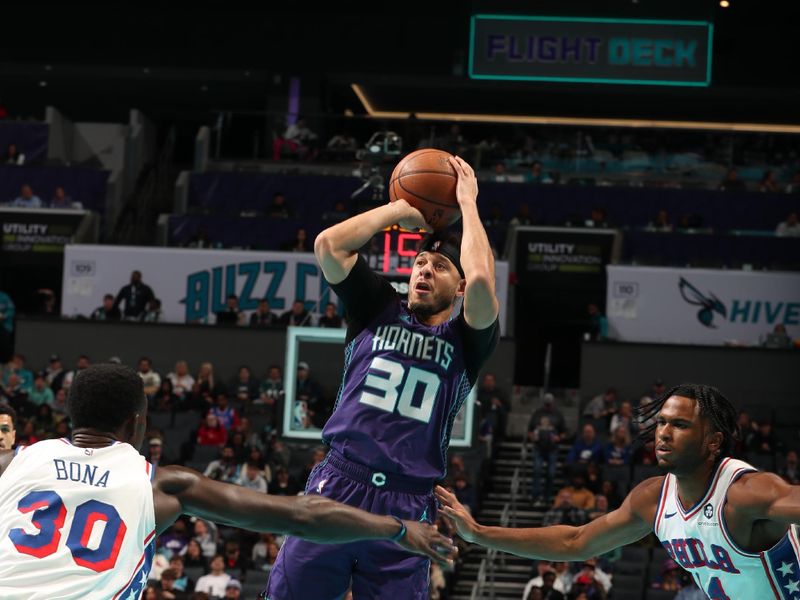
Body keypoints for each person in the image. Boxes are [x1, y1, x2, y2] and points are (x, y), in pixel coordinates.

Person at [0, 364, 456, 598]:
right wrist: (398, 528)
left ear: (69, 413)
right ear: (138, 423)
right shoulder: (161, 485)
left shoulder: (14, 462)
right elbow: (302, 515)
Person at [267, 155, 498, 599]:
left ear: (460, 286)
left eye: (441, 267)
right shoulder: (377, 306)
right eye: (420, 264)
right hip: (337, 484)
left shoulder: (468, 340)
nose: (425, 272)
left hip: (407, 502)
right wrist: (399, 210)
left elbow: (485, 284)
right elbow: (328, 246)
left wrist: (467, 204)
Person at [437, 382, 800, 600]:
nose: (664, 433)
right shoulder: (653, 498)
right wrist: (480, 533)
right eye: (661, 423)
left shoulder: (746, 493)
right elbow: (575, 542)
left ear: (713, 441)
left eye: (680, 425)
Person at [527, 394, 566, 506]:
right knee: (537, 471)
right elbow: (530, 430)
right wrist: (532, 436)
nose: (548, 406)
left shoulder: (558, 414)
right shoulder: (537, 414)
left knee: (551, 473)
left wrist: (558, 437)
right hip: (538, 447)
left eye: (549, 404)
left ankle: (547, 498)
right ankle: (535, 497)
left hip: (552, 448)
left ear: (553, 403)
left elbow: (564, 432)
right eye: (546, 404)